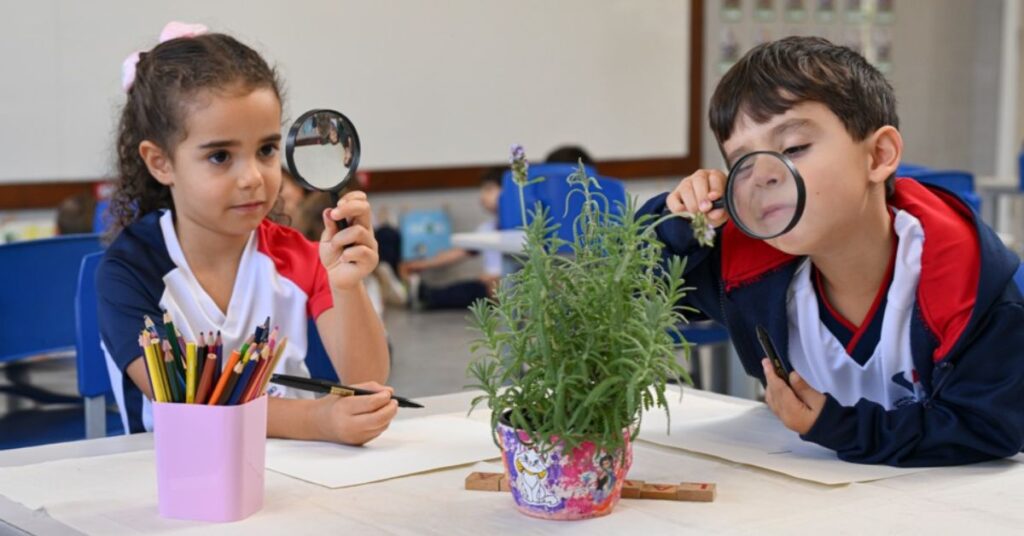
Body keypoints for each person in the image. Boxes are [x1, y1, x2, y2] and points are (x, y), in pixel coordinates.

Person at [639, 36, 1024, 466]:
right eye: (741, 163)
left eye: (794, 148)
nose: (764, 175)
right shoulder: (745, 267)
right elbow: (624, 297)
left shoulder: (966, 283)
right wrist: (678, 224)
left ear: (879, 155)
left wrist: (836, 427)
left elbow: (989, 427)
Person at [98, 22, 396, 445]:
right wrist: (318, 421)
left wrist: (346, 285)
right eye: (220, 156)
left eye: (267, 150)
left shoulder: (297, 256)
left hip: (296, 479)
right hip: (172, 482)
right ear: (161, 162)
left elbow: (366, 380)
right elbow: (187, 403)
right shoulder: (129, 271)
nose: (253, 177)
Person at [399, 167, 504, 310]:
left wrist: (497, 277)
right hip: (489, 286)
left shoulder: (523, 225)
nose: (482, 196)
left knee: (480, 289)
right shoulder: (487, 228)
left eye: (489, 189)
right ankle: (424, 295)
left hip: (507, 287)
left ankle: (425, 296)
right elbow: (458, 253)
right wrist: (418, 265)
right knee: (472, 288)